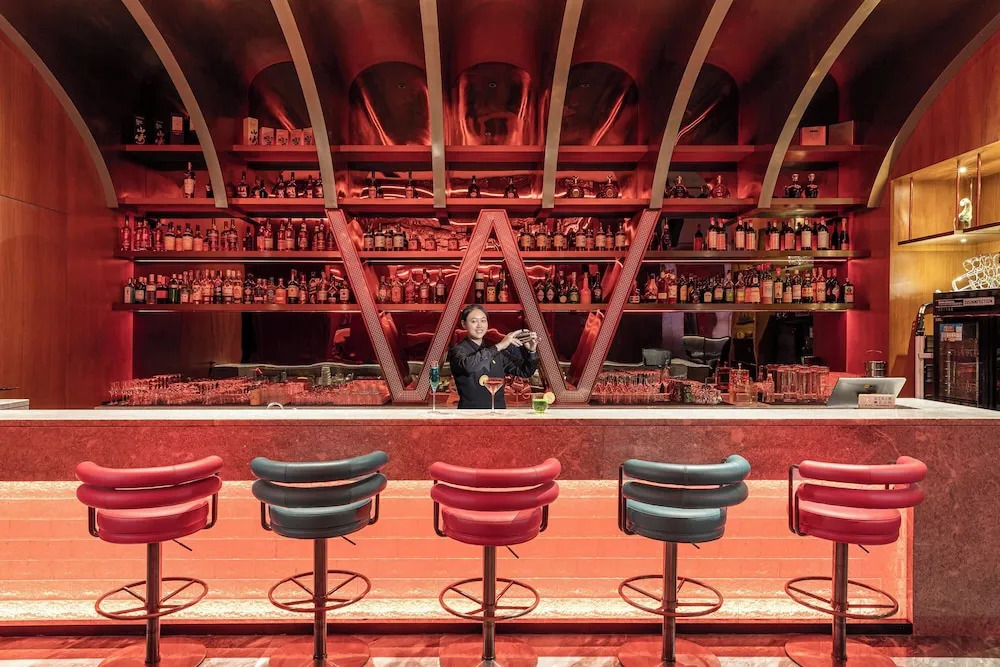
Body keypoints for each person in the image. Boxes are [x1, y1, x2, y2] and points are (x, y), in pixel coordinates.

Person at [448, 304, 539, 409]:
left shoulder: (495, 350)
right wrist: (500, 346)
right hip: (470, 414)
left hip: (498, 414)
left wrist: (531, 351)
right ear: (464, 324)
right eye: (474, 321)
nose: (479, 325)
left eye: (483, 321)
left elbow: (525, 371)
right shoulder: (458, 350)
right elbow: (469, 366)